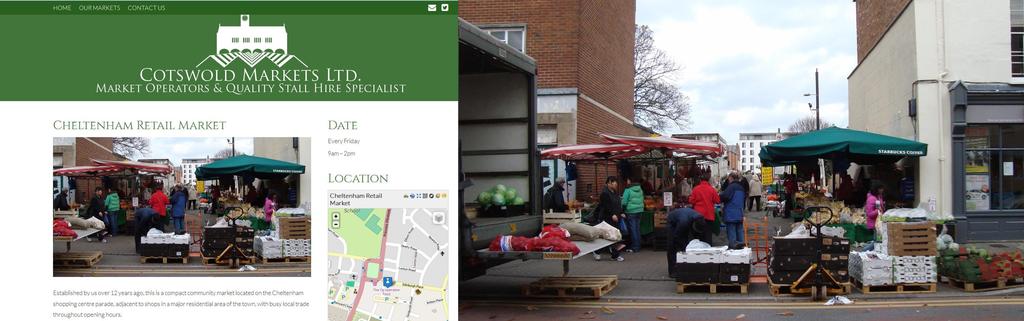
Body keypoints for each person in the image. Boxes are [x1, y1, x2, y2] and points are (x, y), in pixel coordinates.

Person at [665, 207, 707, 276]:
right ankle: (672, 271)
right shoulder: (683, 222)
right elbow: (677, 236)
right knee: (672, 245)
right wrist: (683, 248)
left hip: (684, 218)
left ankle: (684, 267)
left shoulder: (700, 218)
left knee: (685, 243)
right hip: (672, 223)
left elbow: (697, 234)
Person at [592, 176, 626, 262]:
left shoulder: (614, 192)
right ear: (609, 183)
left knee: (614, 236)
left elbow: (618, 204)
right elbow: (607, 206)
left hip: (616, 218)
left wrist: (621, 212)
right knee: (608, 237)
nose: (616, 184)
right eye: (615, 182)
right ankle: (598, 252)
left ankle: (613, 255)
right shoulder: (604, 193)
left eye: (616, 182)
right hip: (607, 218)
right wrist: (612, 214)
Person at [688, 173, 721, 245]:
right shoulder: (712, 189)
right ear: (708, 180)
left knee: (698, 234)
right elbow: (718, 201)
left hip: (698, 215)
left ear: (700, 180)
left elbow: (691, 201)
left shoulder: (696, 189)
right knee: (708, 235)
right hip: (709, 215)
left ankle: (699, 251)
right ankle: (708, 251)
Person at [720, 172, 747, 249]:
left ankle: (734, 251)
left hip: (731, 213)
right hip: (739, 212)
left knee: (732, 235)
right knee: (740, 232)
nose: (728, 180)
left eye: (728, 178)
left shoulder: (731, 187)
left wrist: (720, 196)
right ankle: (742, 251)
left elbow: (725, 196)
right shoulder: (741, 187)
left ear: (731, 178)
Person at [621, 176, 646, 252]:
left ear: (630, 181)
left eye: (628, 180)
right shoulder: (640, 189)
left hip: (631, 211)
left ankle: (635, 247)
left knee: (633, 229)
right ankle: (638, 245)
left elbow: (624, 202)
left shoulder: (628, 190)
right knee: (637, 228)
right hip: (639, 210)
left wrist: (623, 209)